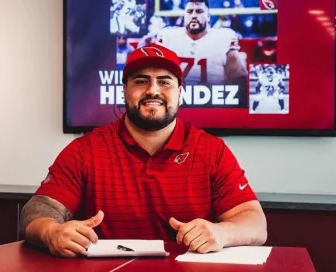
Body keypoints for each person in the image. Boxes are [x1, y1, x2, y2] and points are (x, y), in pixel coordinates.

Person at [20, 43, 267, 258]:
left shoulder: (212, 151)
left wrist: (221, 232)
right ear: (124, 91)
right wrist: (51, 232)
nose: (153, 90)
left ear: (180, 93)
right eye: (141, 81)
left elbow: (256, 224)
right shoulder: (85, 150)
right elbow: (37, 212)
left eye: (164, 81)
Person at [155, 0, 248, 85]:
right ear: (184, 15)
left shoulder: (223, 37)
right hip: (176, 100)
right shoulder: (168, 37)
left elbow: (239, 77)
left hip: (213, 100)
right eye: (189, 11)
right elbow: (154, 74)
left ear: (208, 16)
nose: (194, 15)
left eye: (199, 11)